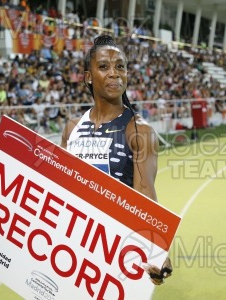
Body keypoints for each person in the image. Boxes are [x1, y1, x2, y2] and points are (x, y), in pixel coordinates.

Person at [60, 35, 172, 285]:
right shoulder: (71, 129)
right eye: (103, 67)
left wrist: (157, 249)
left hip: (119, 253)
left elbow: (144, 193)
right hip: (75, 248)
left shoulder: (139, 131)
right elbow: (59, 185)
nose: (114, 73)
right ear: (88, 77)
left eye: (120, 66)